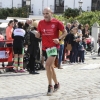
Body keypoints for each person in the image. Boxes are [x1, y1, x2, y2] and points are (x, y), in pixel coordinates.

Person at [35, 7, 67, 96]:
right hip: (45, 47)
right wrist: (38, 35)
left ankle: (50, 86)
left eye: (47, 13)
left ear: (51, 13)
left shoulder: (57, 22)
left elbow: (65, 32)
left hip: (54, 46)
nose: (45, 15)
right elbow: (39, 33)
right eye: (44, 14)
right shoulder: (40, 23)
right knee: (51, 67)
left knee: (47, 65)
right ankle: (57, 83)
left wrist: (59, 38)